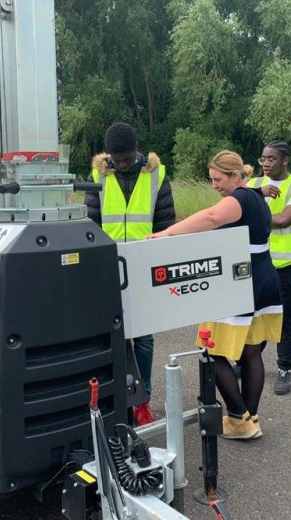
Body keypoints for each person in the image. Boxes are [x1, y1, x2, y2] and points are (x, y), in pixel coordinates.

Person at [148, 150, 283, 439]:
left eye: (218, 179)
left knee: (212, 351)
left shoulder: (240, 199)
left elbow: (210, 218)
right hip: (264, 280)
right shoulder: (257, 197)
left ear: (235, 176)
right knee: (250, 351)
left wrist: (167, 234)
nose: (214, 186)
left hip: (239, 282)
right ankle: (250, 417)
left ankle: (237, 419)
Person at [85, 122, 176, 425]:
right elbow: (92, 223)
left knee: (144, 337)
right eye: (117, 158)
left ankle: (143, 400)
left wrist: (161, 260)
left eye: (127, 157)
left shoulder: (156, 175)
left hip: (144, 264)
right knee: (114, 335)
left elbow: (165, 221)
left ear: (137, 148)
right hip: (108, 264)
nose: (122, 163)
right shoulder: (98, 175)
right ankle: (119, 395)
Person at [248, 140, 291, 395]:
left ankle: (284, 369)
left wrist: (250, 210)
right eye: (262, 158)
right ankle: (247, 362)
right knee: (252, 317)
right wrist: (256, 196)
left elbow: (285, 220)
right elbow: (231, 207)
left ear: (285, 160)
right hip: (253, 262)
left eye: (271, 159)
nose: (265, 163)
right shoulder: (253, 185)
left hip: (284, 266)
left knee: (284, 320)